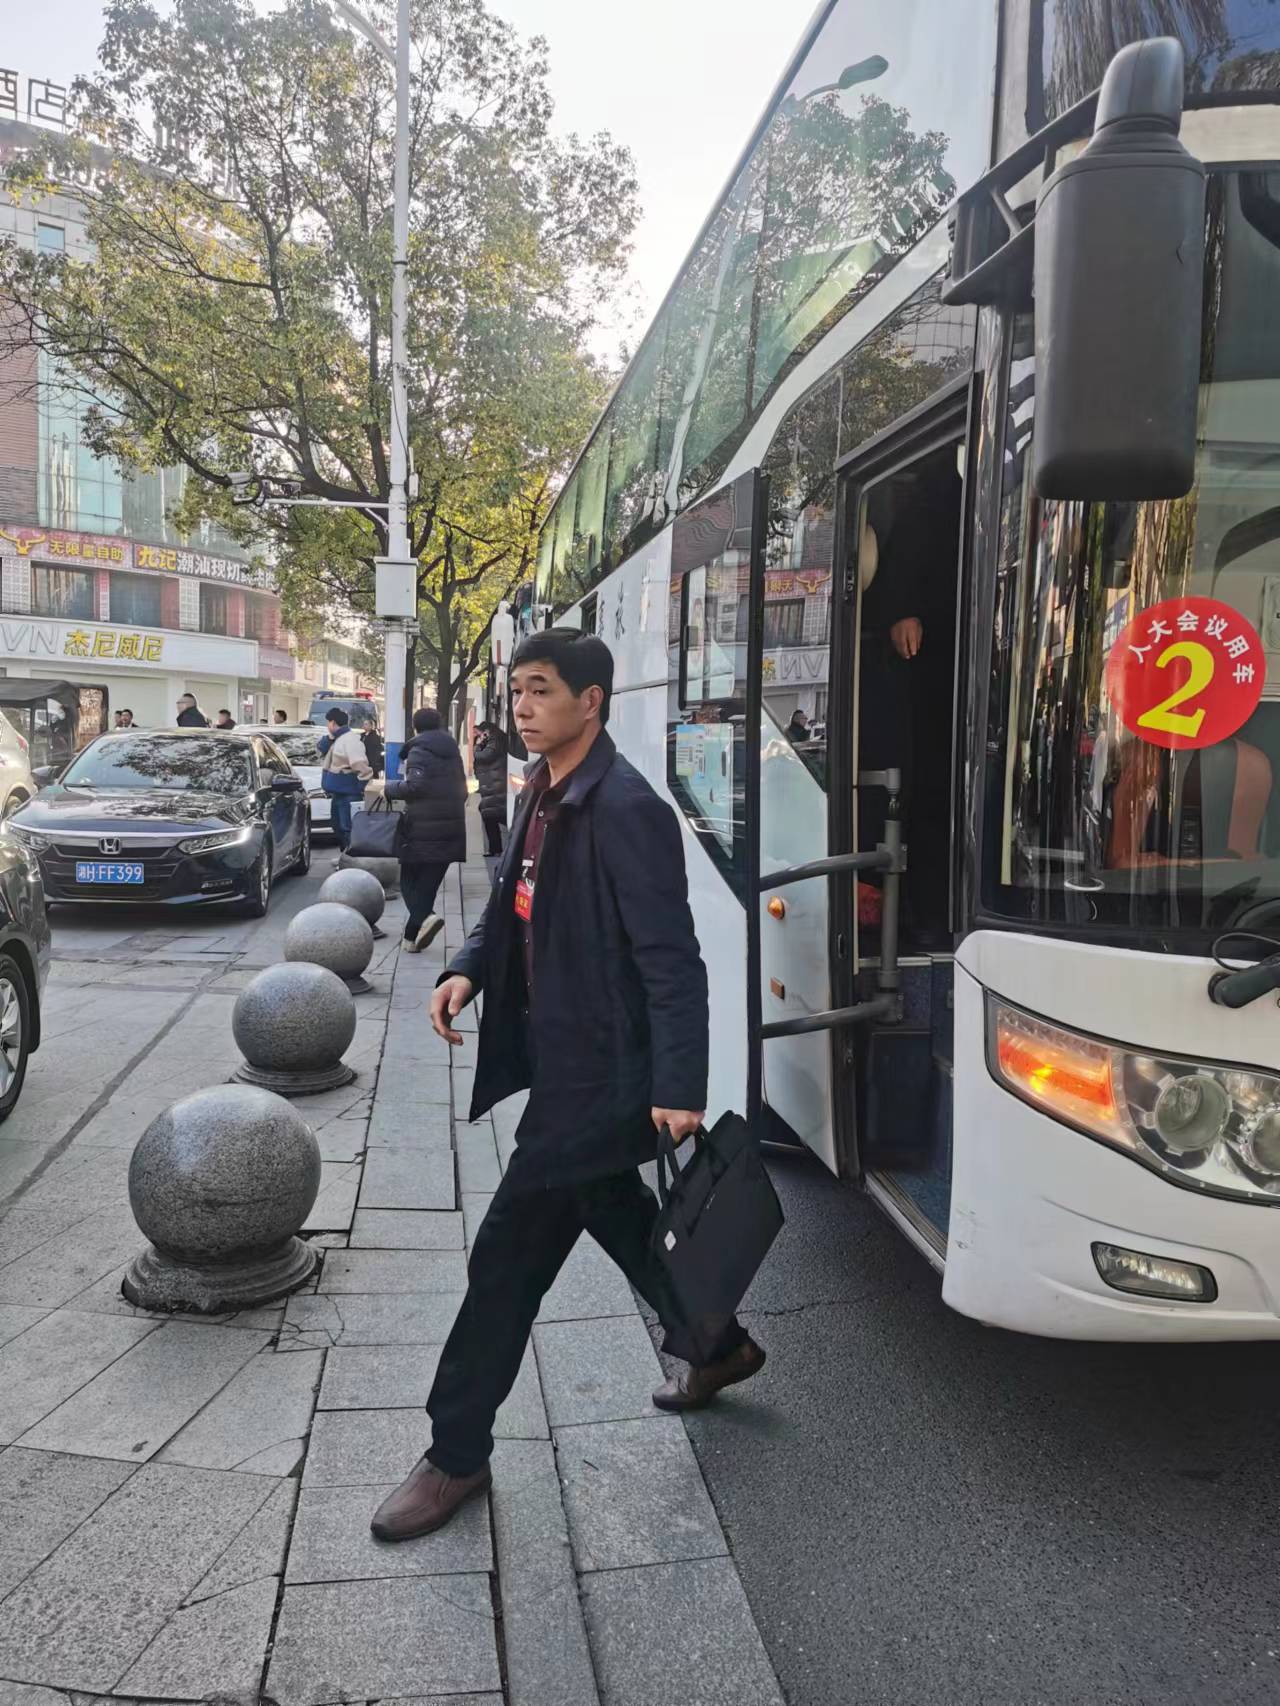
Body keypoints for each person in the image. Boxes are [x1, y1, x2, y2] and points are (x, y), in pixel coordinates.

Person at [369, 628, 764, 1544]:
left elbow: (673, 960)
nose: (522, 706)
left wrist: (680, 1084)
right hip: (561, 1063)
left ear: (592, 701)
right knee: (619, 1215)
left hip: (601, 1078)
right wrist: (467, 968)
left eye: (541, 689)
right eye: (517, 690)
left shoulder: (625, 807)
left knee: (504, 1261)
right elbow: (513, 907)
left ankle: (455, 1453)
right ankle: (717, 1346)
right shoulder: (543, 789)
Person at [383, 706, 466, 951]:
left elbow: (415, 786)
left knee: (409, 880)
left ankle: (427, 917)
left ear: (415, 727)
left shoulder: (419, 751)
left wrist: (390, 788)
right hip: (452, 828)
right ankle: (411, 940)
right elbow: (463, 791)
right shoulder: (452, 751)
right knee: (428, 885)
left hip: (422, 828)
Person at [317, 708, 373, 849]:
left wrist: (360, 785)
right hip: (338, 793)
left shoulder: (350, 740)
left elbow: (360, 764)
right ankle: (345, 853)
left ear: (333, 722)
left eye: (328, 722)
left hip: (348, 793)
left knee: (347, 828)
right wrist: (330, 737)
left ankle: (350, 855)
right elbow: (320, 749)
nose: (327, 726)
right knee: (338, 827)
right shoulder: (338, 739)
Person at [472, 720, 508, 858]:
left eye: (479, 733)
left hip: (496, 784)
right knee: (489, 813)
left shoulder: (494, 739)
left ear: (486, 731)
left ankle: (498, 849)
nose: (478, 736)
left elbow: (483, 756)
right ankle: (495, 849)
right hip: (492, 783)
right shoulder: (493, 739)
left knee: (493, 814)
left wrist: (477, 745)